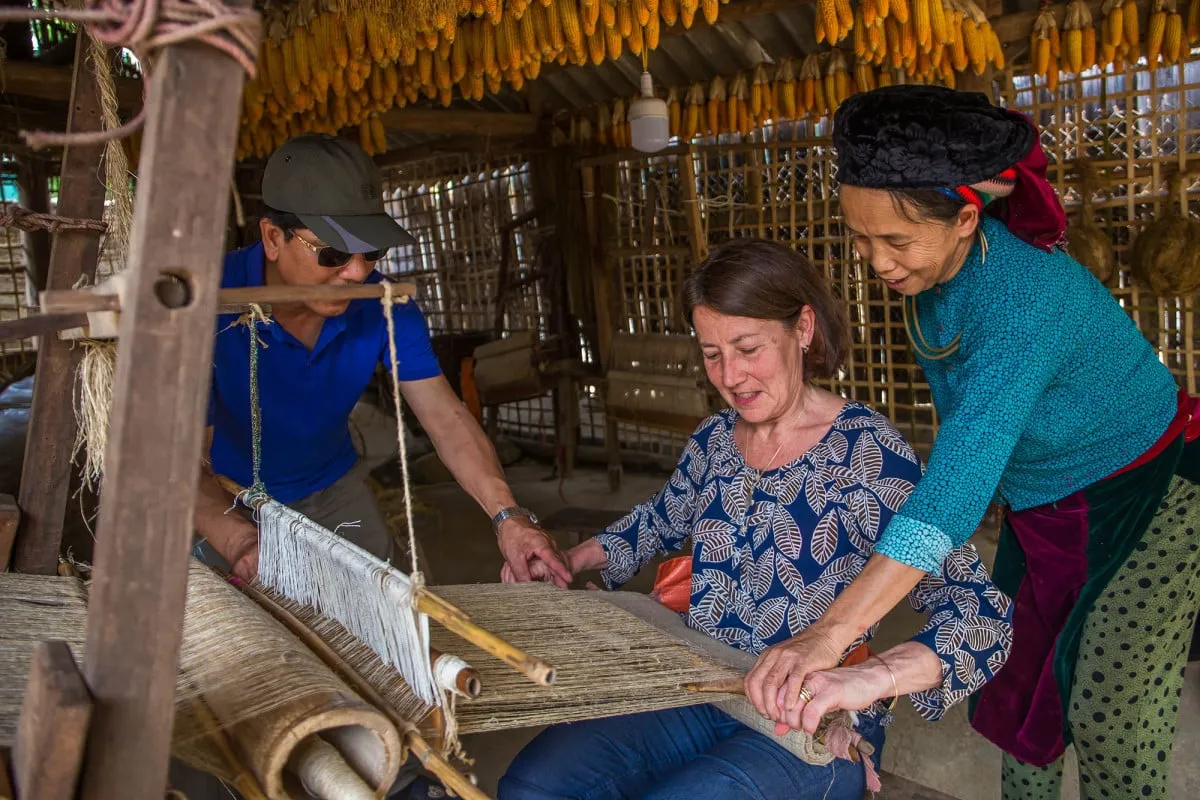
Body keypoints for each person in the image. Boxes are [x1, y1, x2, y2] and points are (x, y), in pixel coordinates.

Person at [755, 85, 1198, 800]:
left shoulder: (1026, 301)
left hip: (1147, 492)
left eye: (894, 241)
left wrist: (828, 634)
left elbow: (958, 483)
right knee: (1023, 694)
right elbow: (968, 449)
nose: (876, 262)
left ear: (966, 218)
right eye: (859, 238)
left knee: (1110, 709)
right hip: (1046, 501)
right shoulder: (931, 283)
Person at [497, 238, 1014, 800]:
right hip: (699, 683)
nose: (730, 375)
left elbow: (981, 615)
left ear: (804, 329)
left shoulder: (866, 454)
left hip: (806, 717)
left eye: (748, 348)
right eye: (712, 352)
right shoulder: (715, 441)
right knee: (531, 785)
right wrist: (567, 559)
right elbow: (659, 521)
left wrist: (868, 680)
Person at [192, 133, 572, 590]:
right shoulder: (206, 305)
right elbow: (180, 461)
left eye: (370, 252)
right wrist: (238, 542)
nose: (355, 273)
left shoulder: (386, 306)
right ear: (273, 237)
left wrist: (508, 517)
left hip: (334, 487)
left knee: (396, 612)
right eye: (332, 253)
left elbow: (446, 418)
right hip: (226, 499)